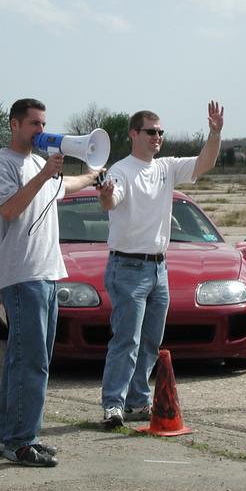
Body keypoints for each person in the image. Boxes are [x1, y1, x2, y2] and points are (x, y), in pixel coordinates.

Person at [0, 98, 100, 467]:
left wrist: (93, 176)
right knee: (29, 361)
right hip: (22, 274)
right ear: (14, 125)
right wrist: (44, 175)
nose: (41, 130)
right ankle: (20, 441)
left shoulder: (38, 164)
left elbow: (65, 186)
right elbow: (9, 209)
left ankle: (16, 436)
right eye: (34, 123)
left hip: (47, 272)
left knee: (34, 360)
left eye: (44, 123)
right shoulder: (0, 165)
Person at [97, 102, 224, 427]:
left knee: (151, 341)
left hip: (158, 268)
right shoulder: (121, 171)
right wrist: (106, 195)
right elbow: (111, 200)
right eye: (151, 132)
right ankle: (113, 404)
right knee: (127, 339)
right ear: (133, 134)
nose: (157, 137)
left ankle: (137, 402)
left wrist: (214, 134)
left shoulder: (166, 167)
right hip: (127, 268)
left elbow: (205, 162)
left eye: (160, 132)